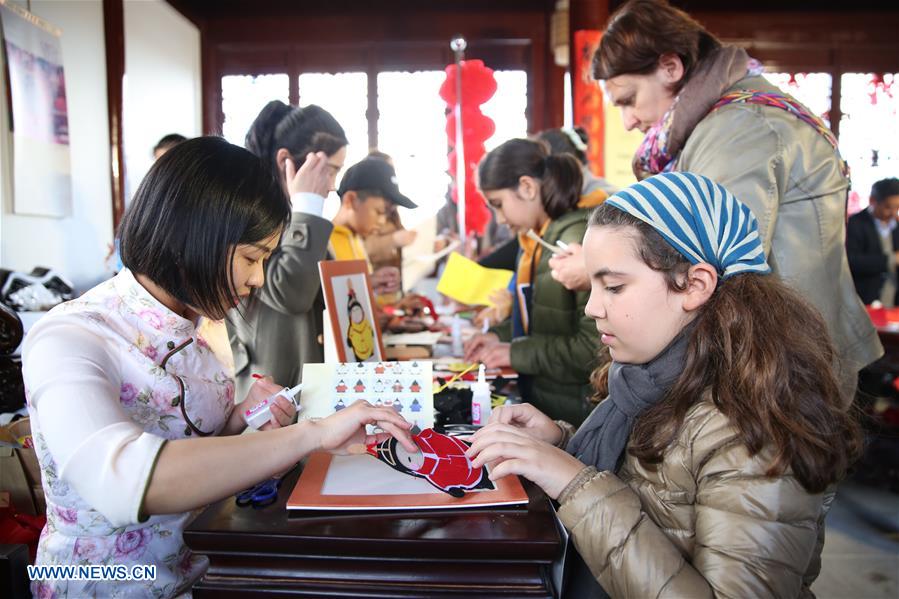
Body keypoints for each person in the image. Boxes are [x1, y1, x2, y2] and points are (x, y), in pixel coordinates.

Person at [22, 137, 415, 598]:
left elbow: (187, 434)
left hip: (209, 563)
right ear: (194, 233)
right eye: (252, 258)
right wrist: (311, 434)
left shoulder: (196, 323)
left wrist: (241, 415)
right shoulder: (71, 335)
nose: (257, 279)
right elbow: (122, 476)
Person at [467, 172, 862, 598]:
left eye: (614, 286)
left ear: (694, 285)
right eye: (594, 284)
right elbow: (655, 487)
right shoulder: (650, 377)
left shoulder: (754, 427)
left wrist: (574, 482)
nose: (593, 306)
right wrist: (560, 443)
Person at [547, 0, 882, 404]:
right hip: (775, 351)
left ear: (671, 68)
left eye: (629, 98)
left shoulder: (740, 127)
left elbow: (708, 255)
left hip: (786, 361)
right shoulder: (723, 121)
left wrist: (600, 270)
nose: (628, 121)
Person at [463, 138, 605, 425]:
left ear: (527, 187)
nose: (500, 219)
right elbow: (541, 317)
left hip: (577, 415)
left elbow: (592, 351)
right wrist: (500, 335)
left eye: (498, 204)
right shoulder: (538, 239)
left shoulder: (572, 240)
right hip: (550, 404)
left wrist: (515, 352)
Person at [226, 101, 348, 400]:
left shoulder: (297, 218)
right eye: (329, 170)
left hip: (303, 380)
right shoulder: (245, 214)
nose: (332, 185)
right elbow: (291, 292)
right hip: (270, 387)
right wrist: (308, 205)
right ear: (286, 161)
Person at [328, 157, 417, 301]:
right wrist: (366, 283)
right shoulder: (325, 243)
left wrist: (395, 307)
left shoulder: (356, 240)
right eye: (380, 212)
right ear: (350, 200)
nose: (382, 221)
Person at [362, 150, 418, 273]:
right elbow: (362, 248)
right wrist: (393, 240)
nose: (392, 173)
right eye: (387, 169)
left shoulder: (392, 209)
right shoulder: (363, 209)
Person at [847, 177, 899, 306]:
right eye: (888, 207)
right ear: (872, 201)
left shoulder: (897, 225)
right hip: (866, 298)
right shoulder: (856, 223)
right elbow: (852, 261)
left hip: (894, 298)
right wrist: (891, 260)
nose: (893, 212)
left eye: (897, 207)